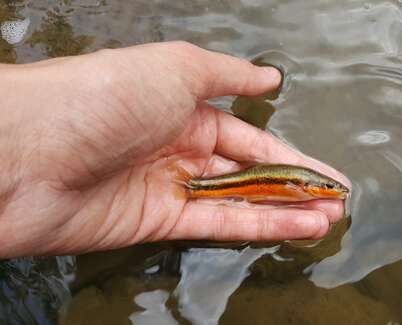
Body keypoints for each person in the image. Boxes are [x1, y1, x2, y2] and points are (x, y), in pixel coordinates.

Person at [0, 41, 350, 259]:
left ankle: (198, 188)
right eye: (330, 187)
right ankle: (197, 188)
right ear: (310, 186)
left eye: (331, 188)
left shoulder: (302, 186)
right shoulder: (300, 185)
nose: (335, 191)